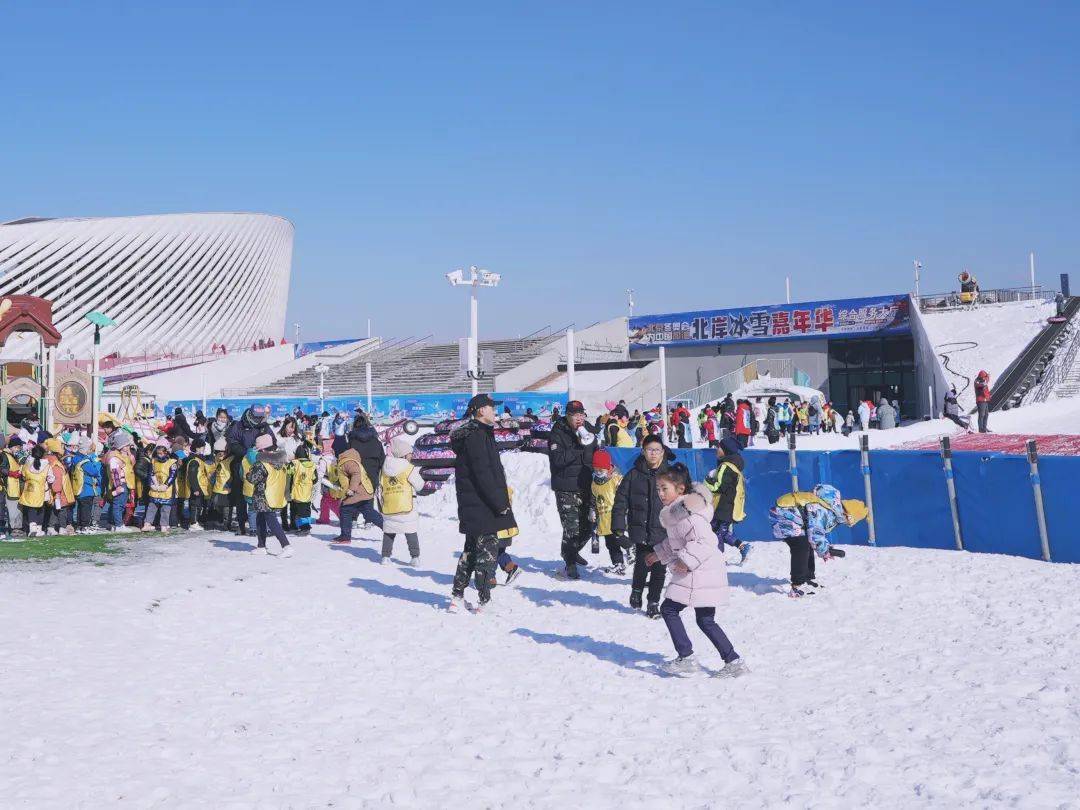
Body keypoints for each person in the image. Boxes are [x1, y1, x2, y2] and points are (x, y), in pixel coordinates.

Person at [649, 463, 747, 678]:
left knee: (669, 609)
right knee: (705, 620)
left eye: (664, 488)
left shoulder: (689, 515)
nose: (660, 493)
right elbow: (675, 541)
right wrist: (658, 553)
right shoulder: (677, 514)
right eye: (658, 489)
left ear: (681, 489)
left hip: (698, 573)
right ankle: (733, 661)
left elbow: (705, 541)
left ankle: (686, 657)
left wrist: (686, 561)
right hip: (704, 572)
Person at [448, 394, 518, 613]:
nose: (494, 411)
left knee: (469, 552)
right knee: (487, 555)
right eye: (491, 408)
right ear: (480, 411)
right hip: (483, 506)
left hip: (474, 505)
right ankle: (483, 601)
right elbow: (483, 474)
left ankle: (456, 597)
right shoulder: (477, 436)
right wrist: (500, 503)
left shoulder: (479, 434)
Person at [768, 485, 868, 598]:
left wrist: (824, 548)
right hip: (784, 516)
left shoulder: (830, 510)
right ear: (847, 514)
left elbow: (816, 533)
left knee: (807, 544)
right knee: (801, 546)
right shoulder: (823, 509)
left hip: (793, 518)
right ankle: (798, 585)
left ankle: (808, 578)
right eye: (850, 521)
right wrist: (824, 551)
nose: (848, 524)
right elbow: (815, 533)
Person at [611, 434, 672, 618]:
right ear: (643, 451)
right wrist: (618, 526)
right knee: (642, 563)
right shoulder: (633, 475)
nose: (653, 454)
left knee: (660, 568)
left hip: (663, 530)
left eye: (657, 450)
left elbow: (681, 501)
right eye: (649, 450)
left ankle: (653, 602)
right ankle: (636, 590)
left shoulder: (671, 475)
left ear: (663, 452)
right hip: (640, 528)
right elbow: (620, 501)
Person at [547, 400, 596, 579]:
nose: (579, 418)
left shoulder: (589, 430)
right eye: (575, 415)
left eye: (581, 414)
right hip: (566, 488)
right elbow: (558, 460)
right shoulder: (557, 433)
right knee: (571, 529)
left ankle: (572, 551)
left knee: (590, 525)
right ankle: (569, 561)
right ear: (567, 416)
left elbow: (597, 453)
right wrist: (578, 447)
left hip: (587, 485)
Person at [329, 426, 384, 544]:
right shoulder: (349, 458)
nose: (332, 451)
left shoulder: (347, 461)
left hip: (356, 493)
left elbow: (356, 474)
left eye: (334, 449)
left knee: (345, 511)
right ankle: (387, 528)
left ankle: (345, 536)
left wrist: (351, 489)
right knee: (369, 512)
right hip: (364, 492)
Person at [225, 405, 274, 536]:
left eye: (260, 418)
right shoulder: (238, 425)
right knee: (241, 496)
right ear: (250, 415)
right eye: (256, 418)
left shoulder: (264, 426)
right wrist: (246, 452)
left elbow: (272, 441)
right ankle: (242, 525)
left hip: (260, 463)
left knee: (262, 495)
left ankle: (263, 525)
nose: (258, 420)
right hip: (241, 463)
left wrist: (262, 450)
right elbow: (231, 441)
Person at [378, 435, 425, 565]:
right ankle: (415, 557)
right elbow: (419, 485)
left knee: (389, 531)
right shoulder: (408, 468)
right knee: (410, 530)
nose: (411, 456)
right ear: (403, 455)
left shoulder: (384, 468)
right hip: (406, 505)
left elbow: (380, 486)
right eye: (409, 453)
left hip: (389, 505)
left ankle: (385, 557)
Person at [704, 436, 751, 564]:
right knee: (717, 530)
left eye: (718, 447)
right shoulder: (734, 465)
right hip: (729, 505)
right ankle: (742, 547)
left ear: (726, 450)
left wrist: (706, 481)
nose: (716, 449)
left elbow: (718, 487)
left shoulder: (726, 466)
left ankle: (717, 560)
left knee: (717, 532)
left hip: (723, 506)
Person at [245, 433, 292, 557]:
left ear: (263, 449)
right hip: (274, 494)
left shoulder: (262, 463)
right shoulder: (280, 461)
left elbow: (252, 478)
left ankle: (286, 546)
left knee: (271, 520)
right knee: (260, 518)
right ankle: (261, 546)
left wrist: (248, 473)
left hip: (263, 495)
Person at [590, 449, 627, 574]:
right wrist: (592, 510)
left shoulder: (615, 479)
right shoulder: (594, 484)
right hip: (604, 519)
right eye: (596, 470)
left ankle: (631, 548)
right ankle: (618, 563)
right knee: (610, 544)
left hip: (616, 516)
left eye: (601, 470)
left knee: (619, 537)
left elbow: (624, 495)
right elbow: (593, 499)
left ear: (608, 468)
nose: (598, 472)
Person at [102, 431, 136, 533]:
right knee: (118, 505)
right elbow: (114, 472)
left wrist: (128, 453)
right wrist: (117, 486)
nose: (127, 447)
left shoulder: (121, 455)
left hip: (125, 483)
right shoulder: (114, 457)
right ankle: (118, 525)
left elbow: (131, 463)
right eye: (125, 445)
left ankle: (114, 523)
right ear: (120, 446)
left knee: (119, 505)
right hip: (120, 484)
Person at [69, 437, 102, 534]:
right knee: (86, 508)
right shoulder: (84, 461)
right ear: (85, 448)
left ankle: (79, 525)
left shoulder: (75, 458)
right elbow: (94, 471)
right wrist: (95, 462)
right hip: (86, 488)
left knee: (80, 507)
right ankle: (85, 526)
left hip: (78, 488)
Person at [143, 439, 177, 532]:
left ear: (166, 452)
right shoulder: (153, 461)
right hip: (155, 487)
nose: (159, 455)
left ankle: (164, 525)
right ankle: (147, 523)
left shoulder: (172, 462)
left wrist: (166, 485)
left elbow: (173, 475)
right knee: (152, 506)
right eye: (158, 453)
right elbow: (151, 473)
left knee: (166, 508)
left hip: (166, 489)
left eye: (161, 453)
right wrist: (152, 484)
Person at [19, 443, 51, 537]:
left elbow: (23, 475)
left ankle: (32, 528)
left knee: (31, 509)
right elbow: (51, 478)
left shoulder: (27, 463)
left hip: (29, 490)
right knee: (41, 509)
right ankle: (39, 529)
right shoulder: (47, 465)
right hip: (42, 490)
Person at [288, 444, 317, 535]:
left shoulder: (294, 463)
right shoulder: (312, 465)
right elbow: (315, 479)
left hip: (296, 492)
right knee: (306, 510)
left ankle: (300, 527)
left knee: (295, 510)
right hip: (307, 492)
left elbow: (288, 473)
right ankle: (305, 526)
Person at [185, 439, 212, 531]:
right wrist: (195, 488)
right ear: (197, 448)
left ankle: (195, 521)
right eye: (202, 447)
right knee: (195, 505)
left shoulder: (198, 459)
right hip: (197, 486)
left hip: (200, 485)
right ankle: (193, 522)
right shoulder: (194, 461)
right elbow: (192, 475)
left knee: (198, 504)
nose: (203, 449)